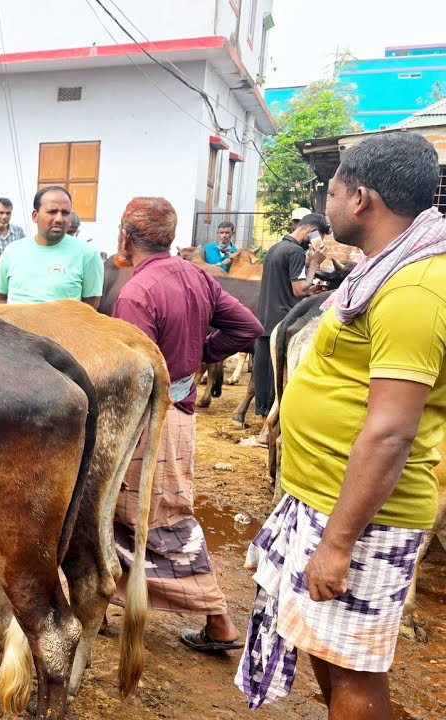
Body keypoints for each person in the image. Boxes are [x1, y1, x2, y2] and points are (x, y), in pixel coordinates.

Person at [237, 132, 446, 717]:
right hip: (324, 498)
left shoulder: (415, 288)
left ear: (361, 199)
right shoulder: (380, 271)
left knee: (353, 673)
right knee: (326, 655)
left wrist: (337, 544)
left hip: (360, 519)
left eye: (331, 192)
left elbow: (391, 432)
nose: (325, 207)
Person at [109, 196, 261, 656]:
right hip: (181, 413)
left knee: (158, 517)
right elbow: (247, 327)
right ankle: (96, 604)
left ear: (124, 238)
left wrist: (190, 360)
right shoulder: (195, 275)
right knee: (132, 513)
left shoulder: (136, 294)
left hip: (148, 421)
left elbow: (133, 374)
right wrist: (198, 358)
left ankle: (219, 618)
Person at [251, 212, 329, 429]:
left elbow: (289, 288)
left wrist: (310, 289)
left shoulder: (276, 248)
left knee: (265, 379)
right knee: (277, 384)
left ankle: (263, 430)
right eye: (319, 238)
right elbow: (299, 288)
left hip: (265, 320)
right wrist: (314, 263)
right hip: (282, 323)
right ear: (311, 231)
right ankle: (267, 432)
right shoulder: (295, 251)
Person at [0, 187, 103, 308]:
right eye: (52, 212)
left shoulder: (88, 254)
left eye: (65, 213)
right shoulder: (12, 251)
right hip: (15, 326)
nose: (59, 219)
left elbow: (90, 306)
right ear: (35, 216)